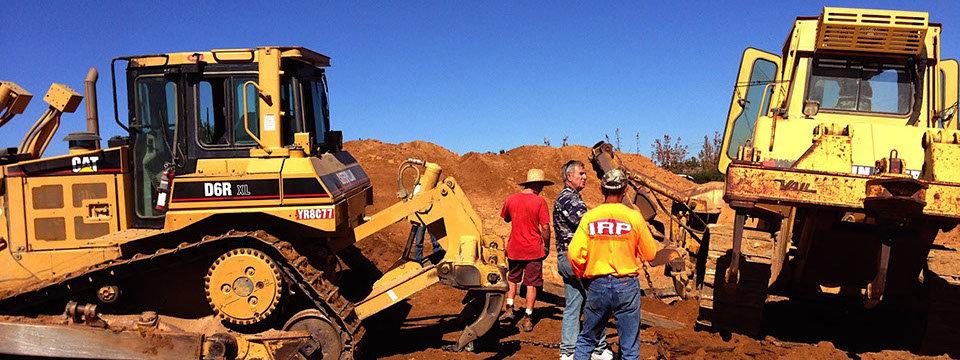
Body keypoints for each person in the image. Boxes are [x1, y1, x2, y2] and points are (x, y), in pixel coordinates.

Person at [567, 169, 660, 360]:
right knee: (630, 346)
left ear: (602, 189)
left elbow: (574, 254)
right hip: (626, 285)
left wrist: (582, 274)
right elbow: (651, 254)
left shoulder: (590, 217)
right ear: (625, 190)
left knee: (587, 339)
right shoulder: (634, 217)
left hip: (597, 284)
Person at [553, 160, 612, 360]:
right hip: (576, 259)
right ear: (569, 177)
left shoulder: (569, 198)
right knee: (596, 301)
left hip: (566, 258)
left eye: (585, 173)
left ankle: (568, 351)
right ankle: (598, 347)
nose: (585, 177)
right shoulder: (569, 199)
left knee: (574, 304)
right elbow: (588, 224)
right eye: (581, 173)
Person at [499, 168, 553, 332]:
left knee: (513, 278)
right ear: (536, 185)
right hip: (533, 249)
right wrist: (547, 244)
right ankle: (528, 316)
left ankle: (509, 307)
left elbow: (507, 218)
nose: (542, 188)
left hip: (514, 247)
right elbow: (545, 227)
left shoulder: (511, 199)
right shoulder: (539, 202)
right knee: (531, 283)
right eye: (542, 185)